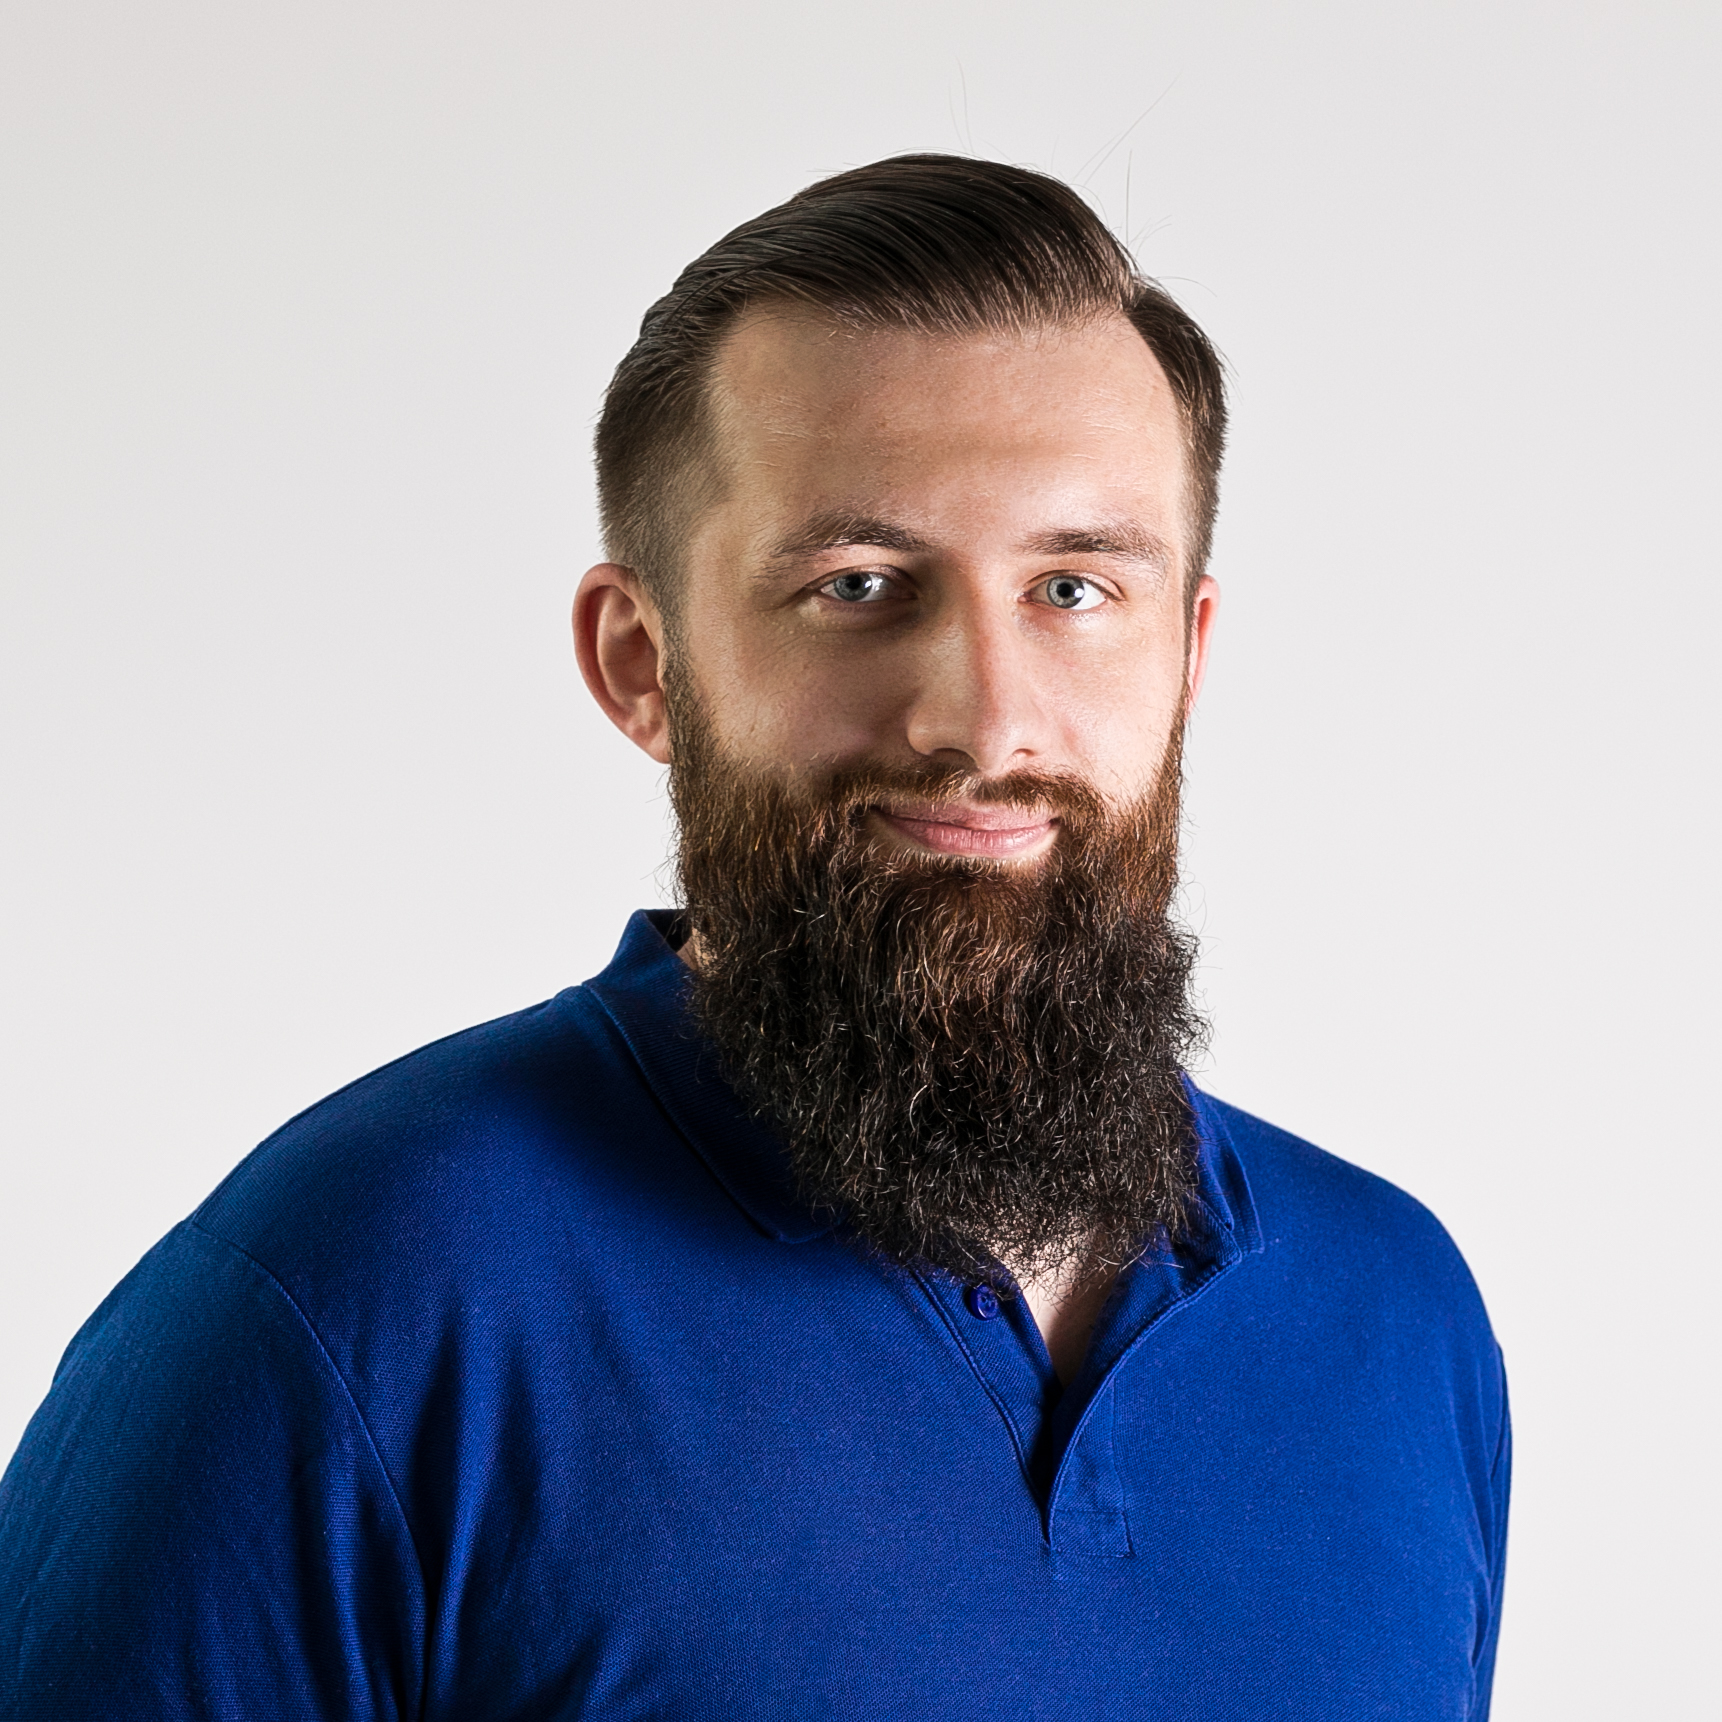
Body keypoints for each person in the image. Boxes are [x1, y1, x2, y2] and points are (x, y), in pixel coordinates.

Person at [0, 155, 1508, 1720]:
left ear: (1185, 652)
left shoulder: (1393, 1319)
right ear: (639, 662)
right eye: (858, 585)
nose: (982, 718)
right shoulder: (347, 1298)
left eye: (1072, 587)